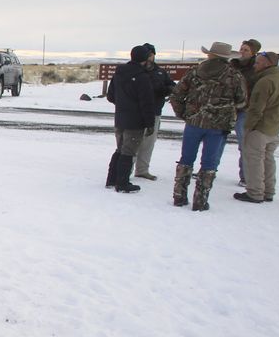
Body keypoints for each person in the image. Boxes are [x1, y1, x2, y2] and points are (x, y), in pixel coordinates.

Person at [168, 41, 248, 211]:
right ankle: (201, 200)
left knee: (186, 159)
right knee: (209, 163)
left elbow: (176, 95)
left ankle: (179, 196)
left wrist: (184, 114)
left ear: (210, 55)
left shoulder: (194, 72)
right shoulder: (235, 76)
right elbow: (242, 101)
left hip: (194, 123)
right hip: (218, 127)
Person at [234, 51, 279, 204]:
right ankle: (268, 191)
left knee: (254, 160)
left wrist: (248, 127)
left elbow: (256, 109)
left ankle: (255, 192)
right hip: (274, 127)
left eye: (258, 63)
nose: (255, 65)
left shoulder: (265, 82)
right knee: (268, 160)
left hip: (259, 128)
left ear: (267, 64)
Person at [104, 45, 157, 194]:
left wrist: (123, 105)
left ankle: (112, 179)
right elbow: (147, 103)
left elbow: (110, 96)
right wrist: (150, 123)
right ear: (144, 59)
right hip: (135, 121)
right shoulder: (142, 77)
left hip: (120, 118)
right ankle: (122, 183)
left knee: (120, 149)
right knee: (128, 151)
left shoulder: (120, 73)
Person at [133, 42, 175, 180]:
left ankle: (142, 170)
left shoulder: (160, 72)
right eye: (147, 55)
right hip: (137, 112)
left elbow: (171, 86)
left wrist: (166, 90)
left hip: (155, 111)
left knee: (149, 143)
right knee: (132, 143)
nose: (150, 58)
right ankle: (126, 169)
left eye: (151, 55)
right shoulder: (135, 71)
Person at [229, 38, 261, 183]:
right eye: (241, 49)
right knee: (217, 140)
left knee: (244, 143)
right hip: (229, 109)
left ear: (254, 52)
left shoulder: (257, 69)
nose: (242, 52)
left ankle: (245, 176)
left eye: (246, 50)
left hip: (244, 111)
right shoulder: (232, 65)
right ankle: (208, 170)